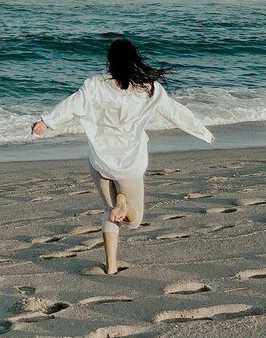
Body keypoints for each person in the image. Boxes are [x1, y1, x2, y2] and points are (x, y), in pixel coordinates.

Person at [31, 38, 215, 275]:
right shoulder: (148, 88)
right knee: (133, 220)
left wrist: (46, 121)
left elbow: (71, 105)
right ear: (134, 60)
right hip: (130, 163)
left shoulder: (95, 85)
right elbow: (175, 112)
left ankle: (111, 266)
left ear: (109, 62)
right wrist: (204, 133)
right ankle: (123, 203)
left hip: (101, 159)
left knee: (109, 212)